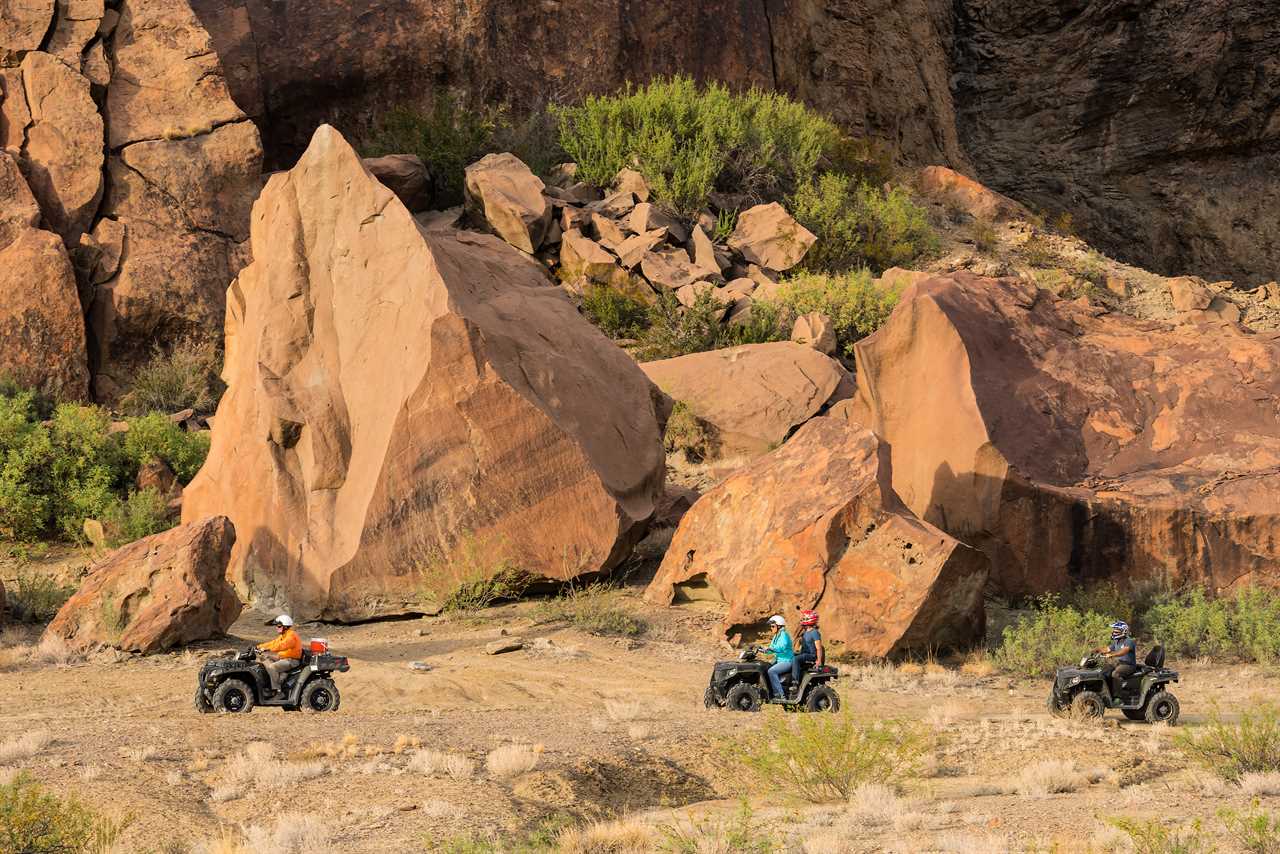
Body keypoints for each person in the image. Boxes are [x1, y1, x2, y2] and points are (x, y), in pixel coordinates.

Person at [257, 614, 302, 696]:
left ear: (285, 626)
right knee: (264, 658)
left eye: (278, 626)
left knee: (272, 667)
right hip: (283, 658)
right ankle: (277, 679)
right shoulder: (283, 635)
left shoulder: (291, 635)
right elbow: (273, 643)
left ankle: (278, 691)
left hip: (291, 660)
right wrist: (259, 646)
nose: (276, 628)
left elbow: (283, 645)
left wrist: (268, 649)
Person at [1095, 620, 1137, 694]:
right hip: (1119, 663)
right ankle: (1107, 691)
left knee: (1115, 674)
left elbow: (1124, 651)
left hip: (1128, 665)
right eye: (1114, 631)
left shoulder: (1129, 641)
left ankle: (1118, 695)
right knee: (1104, 670)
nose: (1114, 633)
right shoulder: (1117, 641)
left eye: (1116, 632)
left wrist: (1112, 654)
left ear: (1124, 631)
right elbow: (1107, 649)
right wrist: (1097, 650)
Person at [763, 615, 794, 700]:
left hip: (787, 661)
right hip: (779, 660)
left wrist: (771, 648)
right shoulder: (776, 636)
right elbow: (771, 648)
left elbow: (781, 647)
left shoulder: (783, 635)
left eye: (773, 626)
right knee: (765, 667)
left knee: (771, 671)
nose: (771, 628)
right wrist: (764, 650)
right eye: (771, 626)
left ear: (779, 626)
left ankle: (780, 694)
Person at [792, 609, 825, 685]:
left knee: (795, 659)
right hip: (804, 654)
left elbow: (819, 648)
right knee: (790, 655)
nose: (802, 619)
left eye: (804, 618)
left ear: (809, 619)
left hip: (811, 656)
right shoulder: (805, 632)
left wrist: (819, 661)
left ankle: (795, 681)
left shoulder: (814, 632)